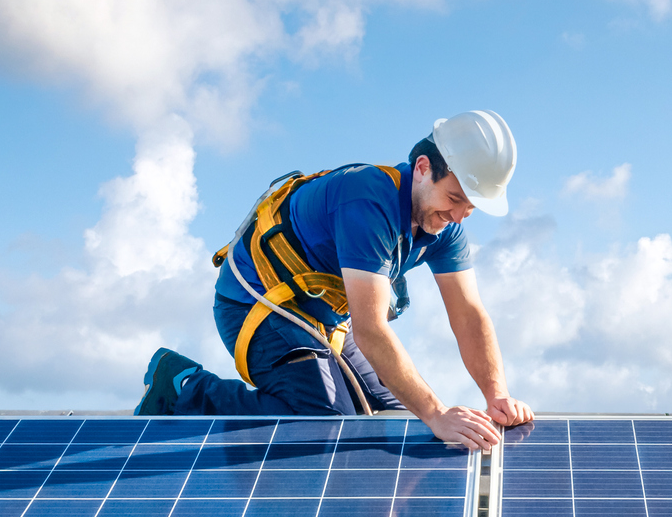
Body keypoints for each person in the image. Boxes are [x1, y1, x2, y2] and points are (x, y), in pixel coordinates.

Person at [136, 110, 533, 451]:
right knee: (326, 424)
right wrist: (437, 412)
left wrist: (496, 394)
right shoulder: (368, 201)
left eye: (472, 206)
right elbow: (372, 329)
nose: (460, 214)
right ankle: (184, 386)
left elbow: (468, 313)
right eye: (455, 197)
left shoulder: (445, 225)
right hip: (256, 302)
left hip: (323, 319)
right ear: (425, 168)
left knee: (392, 419)